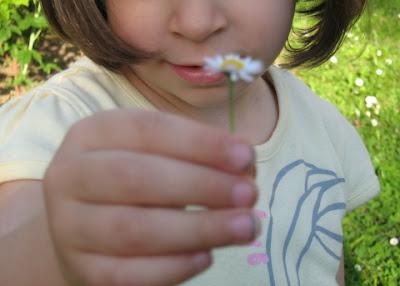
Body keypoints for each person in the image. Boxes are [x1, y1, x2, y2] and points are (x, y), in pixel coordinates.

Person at [0, 0, 380, 285]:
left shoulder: (321, 125)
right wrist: (53, 249)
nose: (197, 22)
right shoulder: (61, 124)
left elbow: (323, 264)